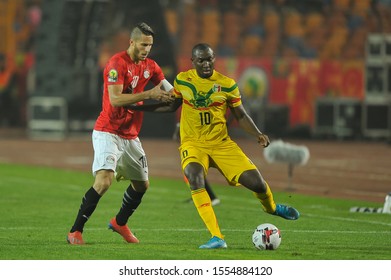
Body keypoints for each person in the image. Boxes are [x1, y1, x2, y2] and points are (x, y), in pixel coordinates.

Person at [130, 43, 300, 249]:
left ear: (214, 59)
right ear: (193, 62)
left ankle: (272, 208)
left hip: (221, 144)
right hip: (193, 143)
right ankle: (216, 236)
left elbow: (241, 115)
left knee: (257, 184)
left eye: (209, 59)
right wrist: (139, 107)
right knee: (193, 175)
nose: (206, 63)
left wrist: (258, 134)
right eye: (201, 60)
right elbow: (171, 105)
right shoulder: (183, 80)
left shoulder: (227, 84)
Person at [66, 22, 174, 245]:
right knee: (104, 181)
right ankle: (75, 231)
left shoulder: (151, 66)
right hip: (108, 131)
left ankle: (120, 222)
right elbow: (115, 99)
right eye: (143, 44)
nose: (146, 49)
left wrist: (183, 97)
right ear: (132, 42)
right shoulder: (116, 64)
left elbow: (170, 90)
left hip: (131, 135)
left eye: (150, 45)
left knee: (142, 185)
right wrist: (151, 94)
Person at [173, 121, 221, 206]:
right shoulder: (188, 118)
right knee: (191, 174)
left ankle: (212, 197)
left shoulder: (196, 118)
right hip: (190, 147)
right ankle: (198, 197)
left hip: (197, 148)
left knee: (195, 173)